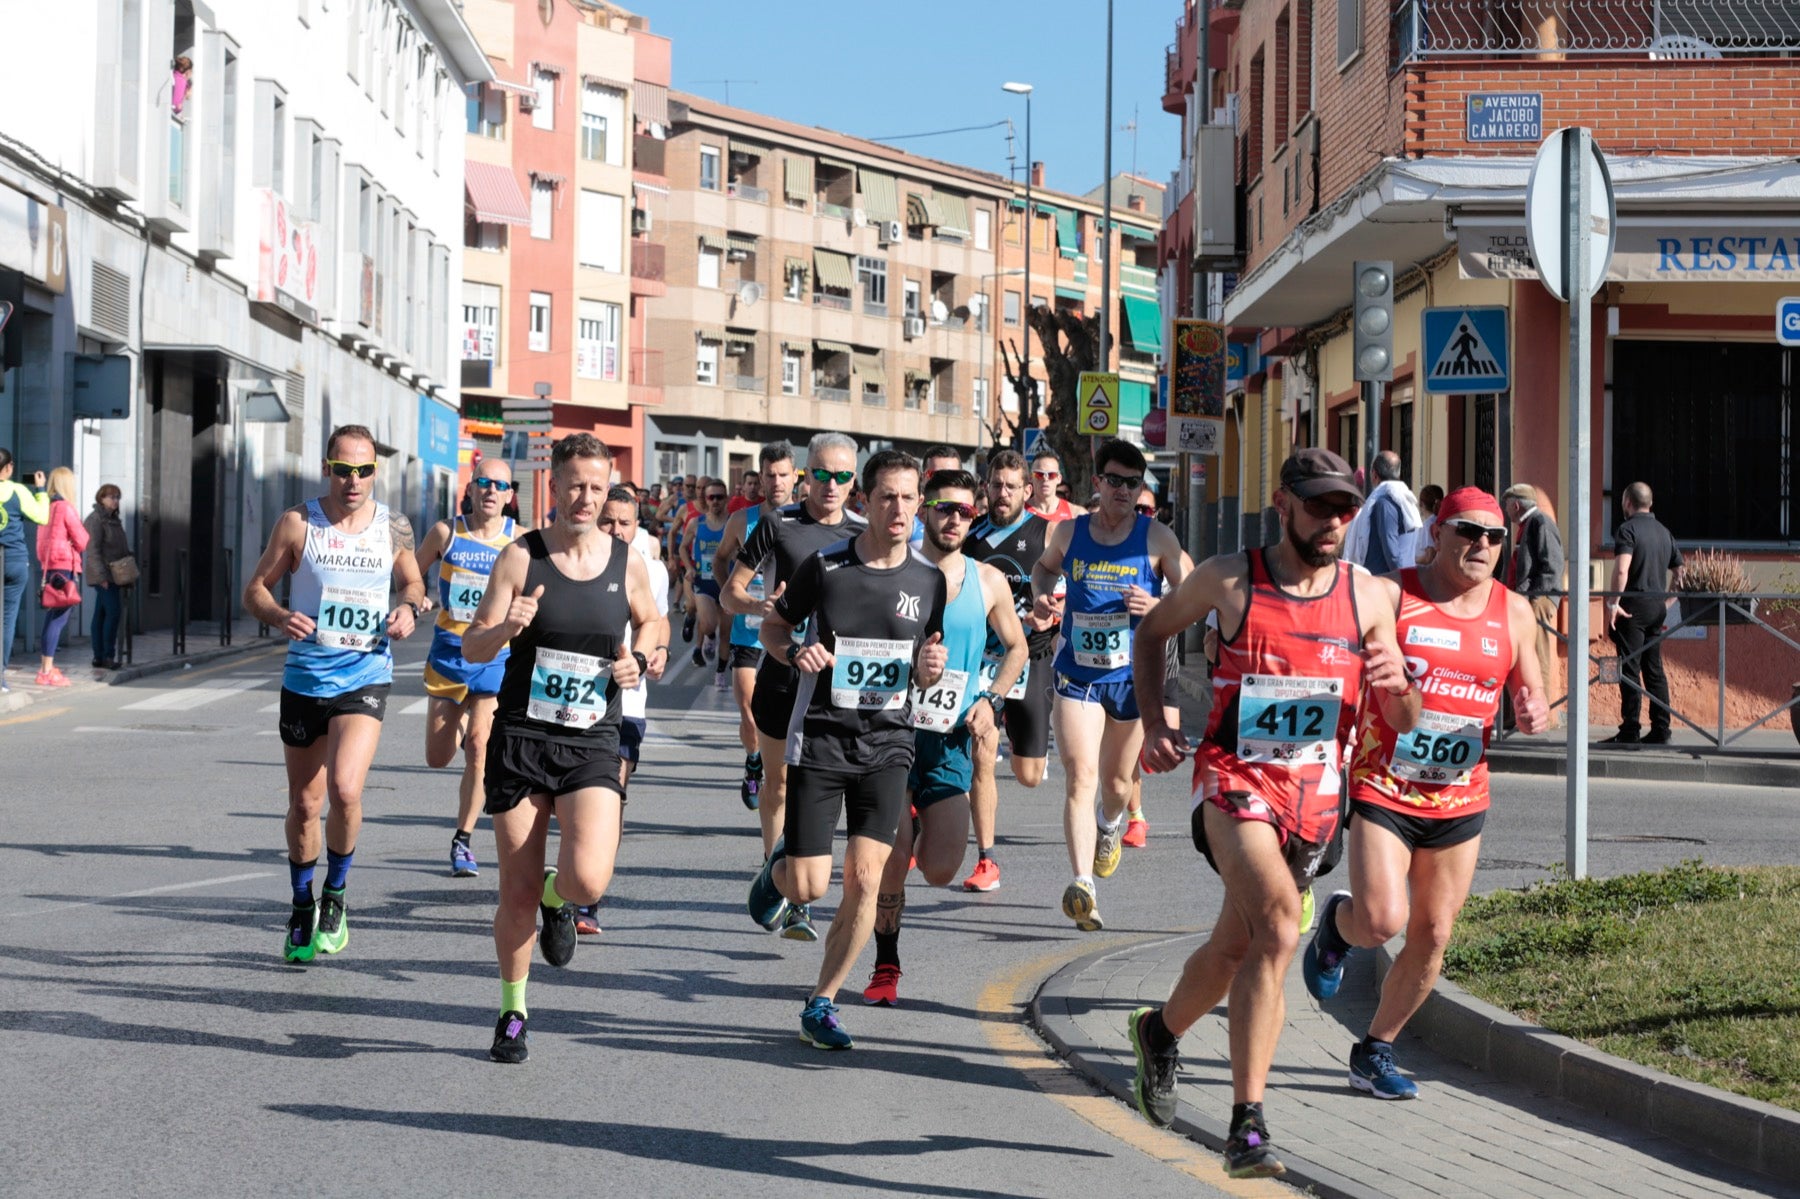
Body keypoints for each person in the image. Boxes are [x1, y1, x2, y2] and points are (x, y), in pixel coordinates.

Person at [1125, 447, 1418, 1179]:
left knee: (1236, 949)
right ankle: (1246, 1125)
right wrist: (1158, 723)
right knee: (1283, 925)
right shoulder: (1230, 578)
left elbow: (1406, 718)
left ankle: (1158, 1033)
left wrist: (1398, 685)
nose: (1334, 520)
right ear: (1282, 505)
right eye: (1319, 505)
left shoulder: (1370, 595)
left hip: (1316, 800)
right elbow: (1154, 630)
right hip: (1234, 778)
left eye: (1346, 508)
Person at [1303, 486, 1550, 1100]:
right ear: (1437, 532)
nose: (1482, 546)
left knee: (1434, 932)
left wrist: (1533, 703)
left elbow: (1532, 686)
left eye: (1495, 537)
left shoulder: (1513, 610)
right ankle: (1337, 927)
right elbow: (1326, 642)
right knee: (1383, 919)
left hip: (1460, 795)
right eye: (1468, 531)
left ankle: (1375, 1050)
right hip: (1385, 782)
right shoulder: (1393, 593)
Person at [461, 434, 660, 1064]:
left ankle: (560, 901)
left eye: (597, 487)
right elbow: (472, 646)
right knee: (513, 893)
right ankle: (513, 1011)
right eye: (575, 484)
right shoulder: (521, 558)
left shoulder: (625, 559)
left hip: (593, 739)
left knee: (587, 877)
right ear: (555, 486)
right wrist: (505, 627)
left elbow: (652, 622)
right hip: (522, 736)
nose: (586, 498)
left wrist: (643, 660)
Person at [746, 449, 948, 1049]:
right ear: (866, 500)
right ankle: (778, 870)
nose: (900, 509)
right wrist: (793, 652)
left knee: (865, 876)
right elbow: (773, 628)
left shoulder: (927, 580)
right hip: (823, 740)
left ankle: (822, 1001)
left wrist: (930, 669)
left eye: (911, 498)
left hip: (889, 744)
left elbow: (924, 666)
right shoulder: (826, 566)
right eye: (888, 496)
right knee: (808, 886)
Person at [243, 425, 425, 963]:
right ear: (327, 468)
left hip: (365, 674)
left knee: (345, 789)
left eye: (364, 470)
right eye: (343, 469)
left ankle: (336, 897)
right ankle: (302, 905)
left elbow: (414, 583)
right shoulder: (299, 523)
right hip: (305, 678)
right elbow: (254, 589)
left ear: (375, 471)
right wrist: (279, 614)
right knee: (305, 803)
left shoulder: (393, 526)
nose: (353, 480)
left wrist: (409, 609)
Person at [862, 468, 1025, 1007]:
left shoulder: (987, 581)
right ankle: (887, 963)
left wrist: (992, 699)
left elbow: (1017, 648)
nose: (954, 518)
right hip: (888, 732)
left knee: (939, 869)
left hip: (949, 738)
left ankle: (910, 824)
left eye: (965, 511)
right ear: (925, 511)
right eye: (944, 508)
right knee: (892, 860)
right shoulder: (895, 567)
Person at [1031, 439, 1185, 931]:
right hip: (1077, 673)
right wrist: (1040, 598)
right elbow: (1042, 569)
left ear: (1141, 489)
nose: (1122, 490)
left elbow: (1193, 595)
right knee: (1080, 776)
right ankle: (1082, 885)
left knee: (1117, 785)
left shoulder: (1157, 538)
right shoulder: (1068, 532)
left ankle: (1111, 824)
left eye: (1132, 483)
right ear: (1096, 483)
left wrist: (1159, 606)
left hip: (1131, 679)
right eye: (1113, 480)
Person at [722, 432, 865, 941]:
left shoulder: (863, 533)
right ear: (806, 476)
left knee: (816, 786)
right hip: (782, 673)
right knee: (780, 783)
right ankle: (776, 873)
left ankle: (797, 883)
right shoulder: (777, 524)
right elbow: (729, 591)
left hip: (838, 684)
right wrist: (761, 607)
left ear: (854, 480)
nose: (831, 485)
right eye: (822, 474)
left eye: (842, 475)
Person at [413, 461, 521, 879]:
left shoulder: (518, 542)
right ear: (471, 489)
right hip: (449, 655)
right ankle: (456, 732)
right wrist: (416, 597)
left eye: (500, 485)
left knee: (481, 748)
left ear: (510, 495)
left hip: (495, 656)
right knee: (438, 758)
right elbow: (412, 572)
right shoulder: (447, 532)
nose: (491, 490)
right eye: (484, 482)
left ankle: (463, 839)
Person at [962, 449, 1059, 892]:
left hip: (1032, 657)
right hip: (984, 662)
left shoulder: (1046, 533)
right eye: (995, 485)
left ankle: (1032, 744)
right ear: (986, 487)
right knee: (982, 754)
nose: (1002, 494)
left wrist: (1053, 613)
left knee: (1029, 775)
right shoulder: (970, 535)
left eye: (1011, 486)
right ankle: (987, 859)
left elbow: (1073, 590)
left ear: (1027, 490)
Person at [712, 440, 798, 811]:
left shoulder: (807, 520)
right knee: (747, 705)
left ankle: (782, 772)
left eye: (783, 475)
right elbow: (720, 559)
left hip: (791, 631)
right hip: (750, 627)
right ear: (759, 479)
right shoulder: (742, 520)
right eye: (769, 475)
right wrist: (733, 596)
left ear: (795, 477)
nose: (776, 482)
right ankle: (753, 758)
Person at [1603, 481, 1682, 746]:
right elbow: (1681, 575)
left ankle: (1630, 730)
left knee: (1629, 668)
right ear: (1650, 503)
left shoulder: (1627, 530)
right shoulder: (1664, 532)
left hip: (1631, 608)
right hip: (1656, 607)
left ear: (1627, 502)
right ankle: (1661, 729)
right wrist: (1668, 602)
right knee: (1654, 669)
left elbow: (1622, 570)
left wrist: (1614, 603)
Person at [1502, 483, 1565, 711]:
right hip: (1524, 601)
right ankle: (1519, 712)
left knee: (1539, 657)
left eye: (1508, 506)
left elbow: (1552, 564)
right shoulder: (1528, 524)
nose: (1506, 511)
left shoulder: (1541, 522)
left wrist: (1538, 598)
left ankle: (1542, 714)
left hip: (1536, 601)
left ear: (1516, 505)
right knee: (1524, 658)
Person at [0, 450, 51, 690]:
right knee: (7, 620)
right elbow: (42, 517)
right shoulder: (19, 491)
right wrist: (40, 490)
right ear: (9, 467)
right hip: (13, 561)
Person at [34, 467, 88, 686]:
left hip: (50, 566)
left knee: (52, 618)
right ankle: (46, 672)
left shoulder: (45, 506)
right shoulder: (66, 507)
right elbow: (83, 540)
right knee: (59, 618)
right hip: (64, 566)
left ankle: (46, 667)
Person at [1343, 451, 1421, 575]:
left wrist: (1403, 580)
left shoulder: (1384, 504)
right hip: (1402, 576)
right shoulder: (1407, 501)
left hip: (1386, 581)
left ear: (1374, 475)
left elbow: (1392, 552)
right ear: (1398, 473)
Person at [682, 480, 730, 677]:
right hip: (703, 582)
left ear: (726, 499)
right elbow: (683, 547)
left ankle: (720, 675)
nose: (715, 501)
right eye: (712, 497)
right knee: (709, 623)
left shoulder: (733, 522)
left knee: (726, 634)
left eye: (719, 497)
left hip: (728, 584)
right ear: (706, 500)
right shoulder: (697, 523)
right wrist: (688, 567)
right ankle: (709, 636)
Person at [83, 483, 132, 670]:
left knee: (101, 614)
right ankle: (107, 656)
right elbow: (93, 551)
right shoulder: (95, 520)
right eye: (111, 497)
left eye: (118, 497)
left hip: (116, 574)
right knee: (113, 612)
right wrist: (101, 576)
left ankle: (99, 656)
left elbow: (121, 547)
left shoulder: (114, 520)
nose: (115, 500)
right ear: (101, 498)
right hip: (103, 575)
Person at [909, 445, 961, 547]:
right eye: (935, 475)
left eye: (952, 476)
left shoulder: (970, 522)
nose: (943, 482)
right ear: (923, 477)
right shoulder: (907, 517)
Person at [1028, 451, 1077, 523]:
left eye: (1051, 475)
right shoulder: (1018, 513)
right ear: (1030, 478)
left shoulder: (1075, 513)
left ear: (1059, 478)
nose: (1045, 478)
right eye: (1039, 474)